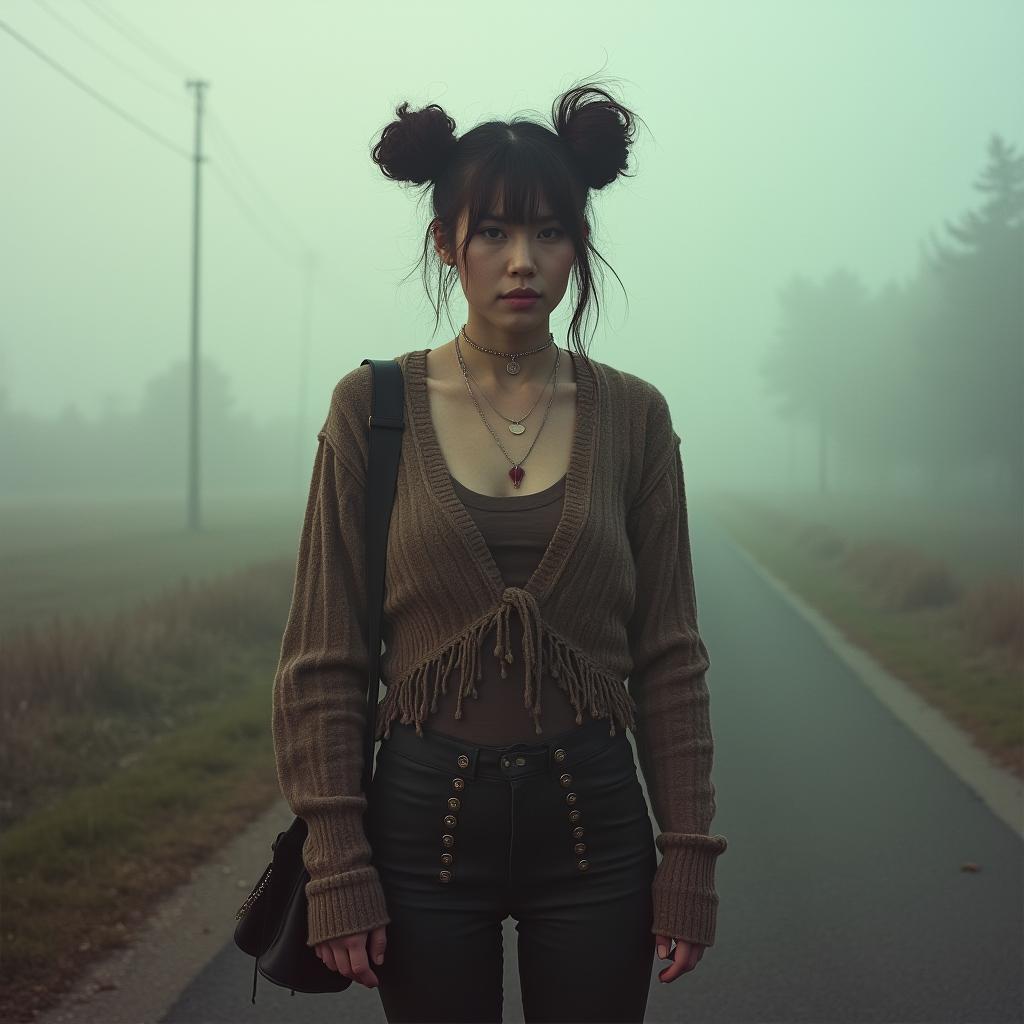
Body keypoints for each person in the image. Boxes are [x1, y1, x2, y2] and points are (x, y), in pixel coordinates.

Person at [271, 76, 729, 1024]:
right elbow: (324, 660)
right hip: (418, 832)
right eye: (493, 232)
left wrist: (686, 857)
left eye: (550, 232)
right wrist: (336, 864)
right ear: (449, 244)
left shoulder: (635, 418)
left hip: (598, 830)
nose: (523, 260)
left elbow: (670, 657)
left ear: (578, 246)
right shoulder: (373, 411)